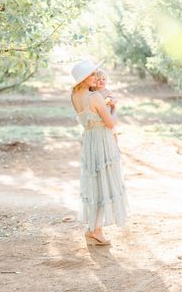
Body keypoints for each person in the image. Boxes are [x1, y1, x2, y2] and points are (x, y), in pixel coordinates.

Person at [71, 59, 128, 246]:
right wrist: (114, 107)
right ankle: (96, 230)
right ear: (84, 78)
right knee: (104, 183)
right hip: (102, 141)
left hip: (89, 141)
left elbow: (90, 118)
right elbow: (110, 123)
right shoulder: (94, 97)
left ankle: (92, 228)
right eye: (93, 74)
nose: (96, 77)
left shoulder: (74, 95)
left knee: (94, 182)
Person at [95, 69, 118, 142]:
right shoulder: (94, 92)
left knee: (113, 131)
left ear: (107, 81)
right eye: (98, 79)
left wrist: (112, 101)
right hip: (98, 116)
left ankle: (115, 145)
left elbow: (114, 99)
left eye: (104, 79)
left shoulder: (107, 92)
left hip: (108, 114)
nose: (101, 81)